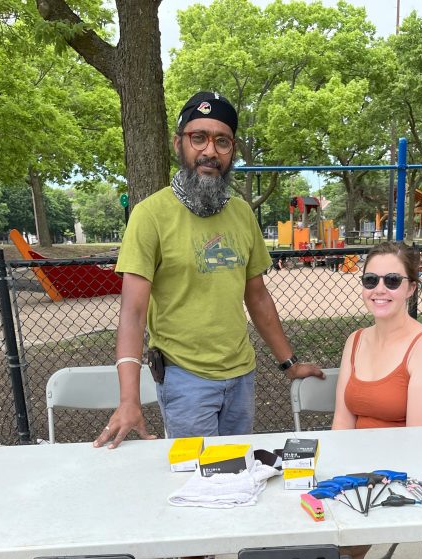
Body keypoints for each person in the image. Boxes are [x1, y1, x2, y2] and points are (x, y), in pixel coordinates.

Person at [94, 90, 323, 450]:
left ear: (232, 150)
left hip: (242, 375)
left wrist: (290, 364)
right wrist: (129, 399)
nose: (210, 151)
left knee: (236, 474)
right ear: (178, 143)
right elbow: (133, 312)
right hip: (185, 379)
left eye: (222, 141)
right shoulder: (150, 215)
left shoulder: (242, 213)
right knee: (198, 480)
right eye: (198, 137)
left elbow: (258, 297)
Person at [332, 240, 422, 559]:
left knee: (337, 535)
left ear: (411, 287)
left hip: (399, 470)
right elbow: (342, 419)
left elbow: (417, 442)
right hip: (357, 466)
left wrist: (357, 482)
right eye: (371, 280)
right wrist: (336, 476)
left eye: (392, 281)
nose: (380, 289)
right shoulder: (355, 340)